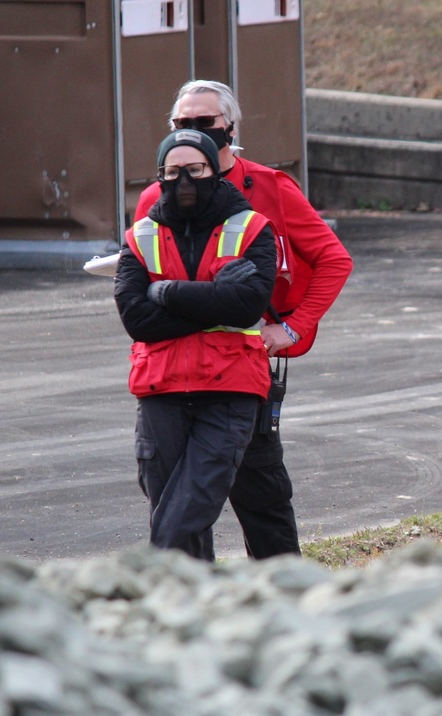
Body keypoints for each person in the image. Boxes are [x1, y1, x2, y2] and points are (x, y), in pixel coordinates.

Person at [134, 80, 353, 559]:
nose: (192, 132)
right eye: (182, 125)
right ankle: (189, 603)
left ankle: (286, 595)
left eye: (204, 124)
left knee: (260, 490)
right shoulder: (156, 196)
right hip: (169, 373)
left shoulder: (270, 189)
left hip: (242, 369)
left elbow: (333, 261)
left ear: (230, 128)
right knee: (174, 496)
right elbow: (139, 289)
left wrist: (293, 328)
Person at [114, 129, 278, 562]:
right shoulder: (139, 236)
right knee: (170, 506)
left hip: (230, 390)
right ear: (159, 176)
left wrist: (166, 293)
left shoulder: (253, 228)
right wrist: (213, 297)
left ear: (215, 170)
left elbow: (246, 307)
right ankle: (190, 611)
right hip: (160, 391)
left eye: (195, 169)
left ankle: (151, 576)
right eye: (172, 171)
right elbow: (137, 320)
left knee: (188, 507)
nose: (184, 180)